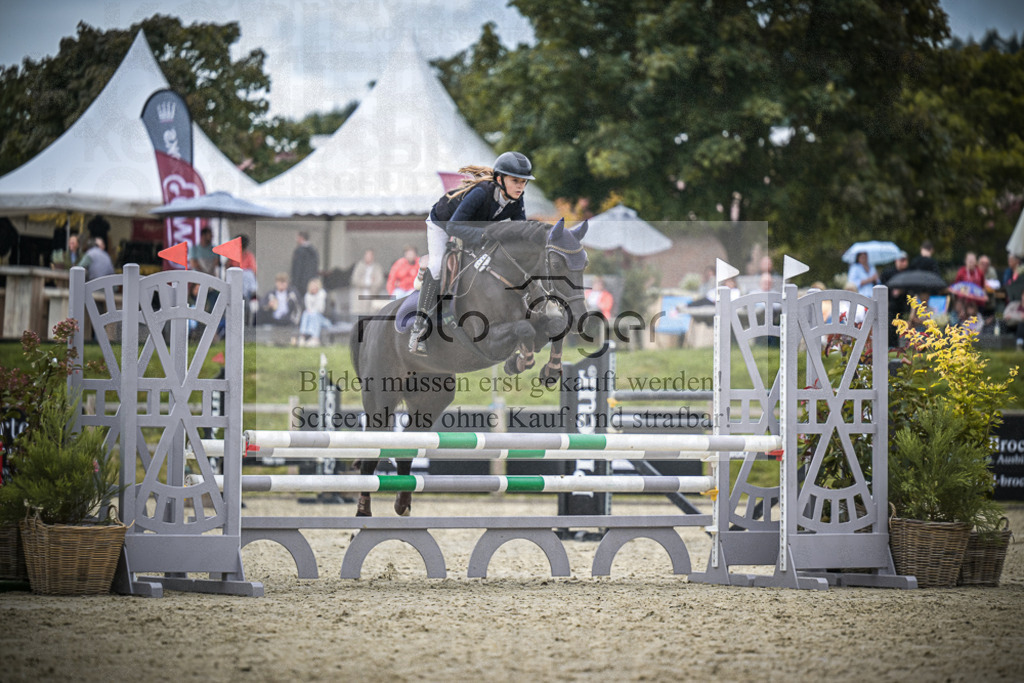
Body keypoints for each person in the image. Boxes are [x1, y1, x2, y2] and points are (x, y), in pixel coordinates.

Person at [409, 151, 534, 355]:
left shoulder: (517, 199)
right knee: (437, 266)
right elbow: (453, 228)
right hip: (443, 223)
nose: (521, 187)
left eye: (524, 182)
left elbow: (518, 232)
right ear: (500, 179)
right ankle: (419, 327)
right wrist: (488, 235)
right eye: (516, 181)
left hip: (472, 229)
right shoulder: (481, 193)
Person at [881, 250, 910, 347]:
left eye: (904, 260)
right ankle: (892, 346)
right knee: (891, 326)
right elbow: (883, 286)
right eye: (901, 260)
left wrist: (902, 291)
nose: (903, 263)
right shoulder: (888, 273)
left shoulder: (909, 273)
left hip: (904, 305)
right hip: (891, 305)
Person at [350, 248, 385, 316]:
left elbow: (379, 281)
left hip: (373, 293)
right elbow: (354, 280)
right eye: (367, 255)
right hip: (360, 293)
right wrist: (367, 282)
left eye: (370, 255)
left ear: (373, 256)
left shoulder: (377, 267)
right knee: (359, 314)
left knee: (372, 314)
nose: (368, 257)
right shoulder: (359, 266)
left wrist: (371, 284)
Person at [296, 277, 330, 346]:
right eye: (312, 286)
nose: (313, 288)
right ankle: (303, 336)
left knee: (315, 315)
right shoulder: (307, 296)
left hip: (324, 320)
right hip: (310, 318)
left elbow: (326, 312)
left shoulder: (323, 295)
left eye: (315, 286)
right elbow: (306, 310)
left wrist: (314, 312)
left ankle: (315, 338)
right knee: (306, 313)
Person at [227, 234, 258, 302]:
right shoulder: (232, 255)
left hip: (246, 284)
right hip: (235, 280)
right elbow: (227, 267)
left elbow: (253, 271)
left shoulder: (249, 256)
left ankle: (252, 294)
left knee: (248, 274)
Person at [290, 231, 319, 298]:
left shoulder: (299, 251)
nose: (296, 240)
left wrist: (294, 283)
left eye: (297, 238)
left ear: (301, 238)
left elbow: (297, 268)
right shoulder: (314, 251)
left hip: (300, 284)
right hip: (312, 283)